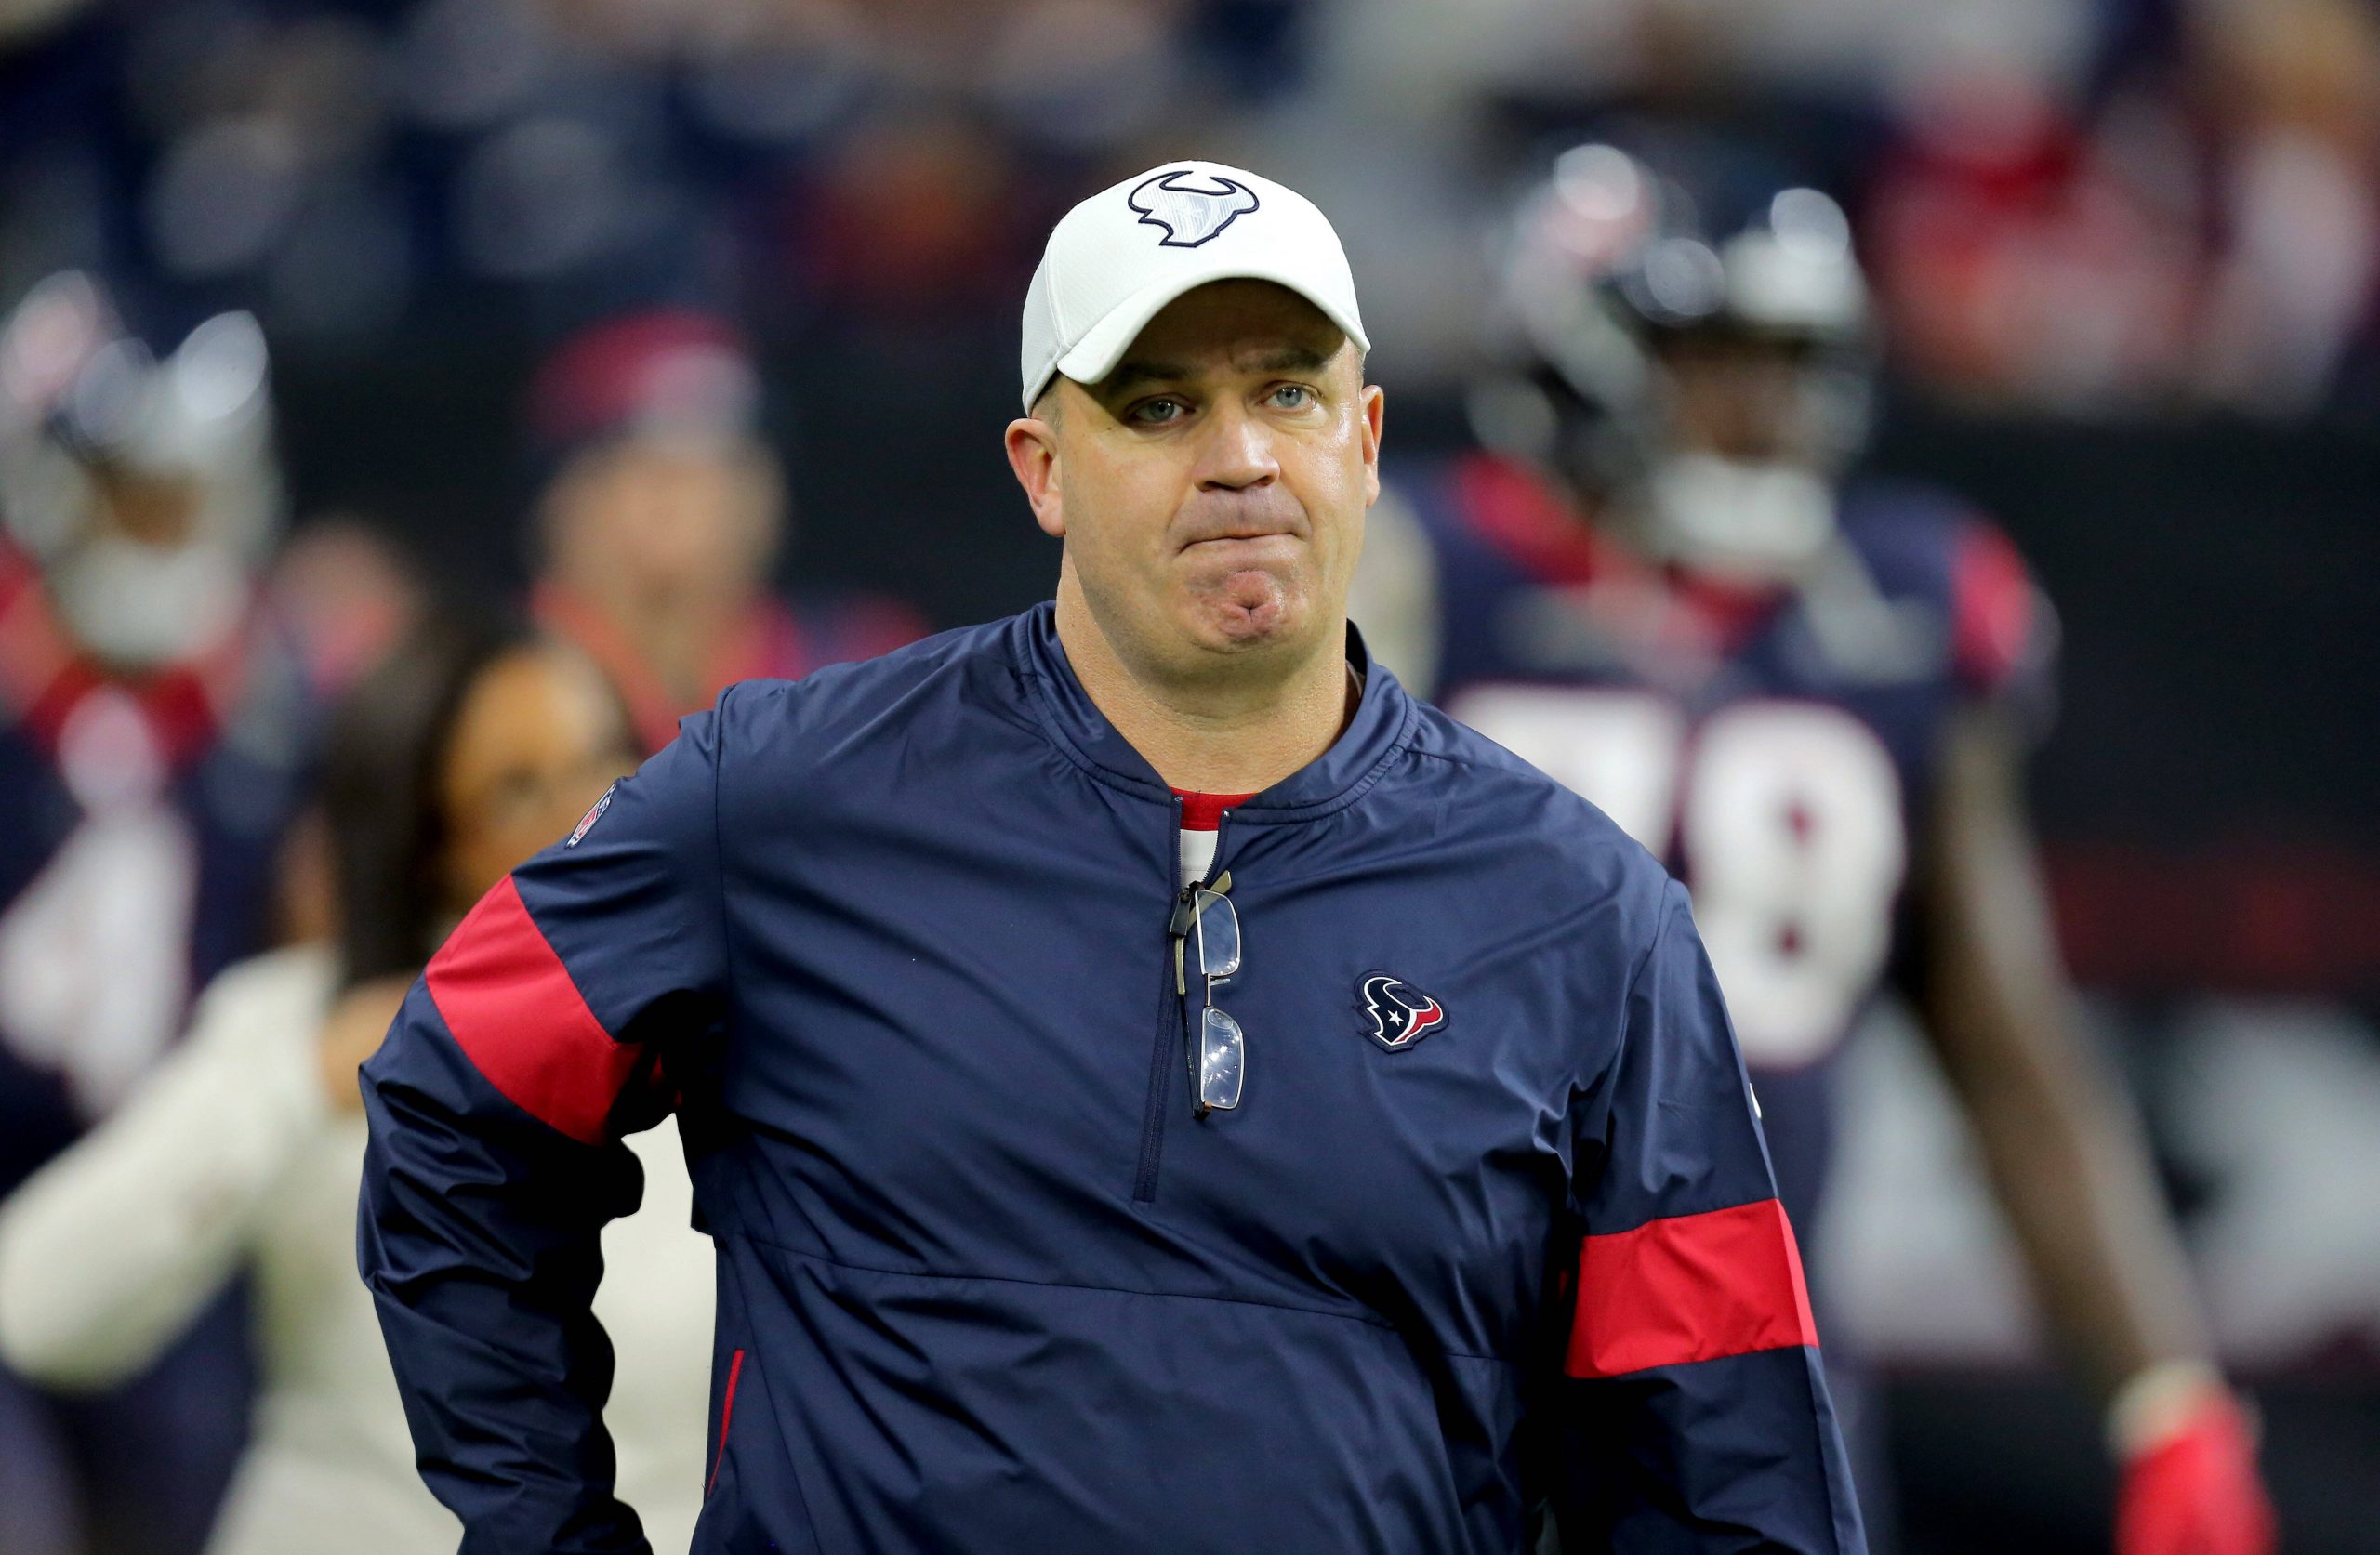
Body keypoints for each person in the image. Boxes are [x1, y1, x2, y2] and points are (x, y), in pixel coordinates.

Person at [358, 160, 1863, 1554]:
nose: (1238, 460)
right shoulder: (781, 801)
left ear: (1368, 437)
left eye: (1287, 390)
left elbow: (1726, 1455)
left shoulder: (1581, 910)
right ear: (1041, 465)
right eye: (1154, 407)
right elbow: (453, 1098)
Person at [1350, 141, 2276, 1554]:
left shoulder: (1894, 609)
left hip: (1752, 1393)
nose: (1766, 407)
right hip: (1429, 1377)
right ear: (1573, 346)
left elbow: (2005, 1034)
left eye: (1797, 359)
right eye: (1721, 355)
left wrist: (2167, 1395)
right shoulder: (1406, 573)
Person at [0, 618, 717, 1555]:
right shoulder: (301, 1025)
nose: (587, 813)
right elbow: (39, 1308)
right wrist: (295, 1087)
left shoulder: (729, 1029)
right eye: (514, 790)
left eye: (606, 759)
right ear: (424, 845)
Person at [0, 272, 312, 1555]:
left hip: (190, 1207)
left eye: (182, 499)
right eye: (135, 497)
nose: (161, 531)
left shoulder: (280, 704)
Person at [526, 308, 926, 756]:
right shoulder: (495, 680)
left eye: (724, 466)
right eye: (632, 465)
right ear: (562, 499)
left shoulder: (862, 666)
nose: (682, 498)